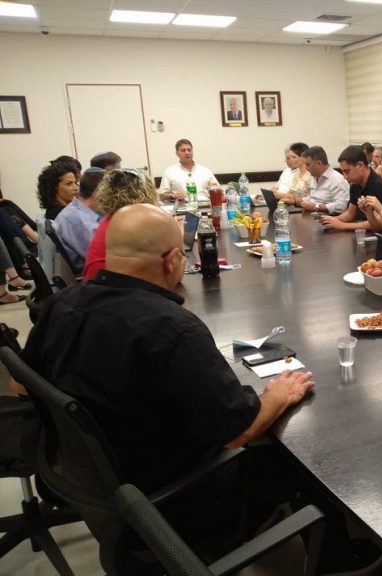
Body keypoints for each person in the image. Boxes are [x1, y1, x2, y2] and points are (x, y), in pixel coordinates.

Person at [13, 202, 316, 557]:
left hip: (102, 489)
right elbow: (238, 433)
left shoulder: (62, 303)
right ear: (173, 261)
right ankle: (337, 556)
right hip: (172, 502)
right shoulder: (171, 328)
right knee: (300, 458)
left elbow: (20, 384)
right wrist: (279, 394)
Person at [82, 168, 158, 280]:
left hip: (99, 285)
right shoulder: (132, 225)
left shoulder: (111, 219)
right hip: (113, 287)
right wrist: (176, 235)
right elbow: (167, 269)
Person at [319, 145, 382, 232]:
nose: (345, 177)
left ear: (360, 165)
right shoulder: (355, 184)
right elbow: (350, 214)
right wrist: (330, 220)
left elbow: (378, 224)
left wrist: (343, 225)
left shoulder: (380, 185)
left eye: (347, 171)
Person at [52, 167, 104, 274]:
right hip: (93, 276)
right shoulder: (75, 219)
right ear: (98, 193)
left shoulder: (79, 210)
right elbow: (102, 257)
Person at [158, 139, 219, 203]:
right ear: (177, 153)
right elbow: (162, 196)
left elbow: (218, 190)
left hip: (205, 206)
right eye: (183, 150)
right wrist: (172, 196)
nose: (187, 153)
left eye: (189, 150)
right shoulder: (169, 172)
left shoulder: (205, 171)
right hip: (182, 206)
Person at [298, 146, 349, 215]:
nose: (306, 168)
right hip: (312, 214)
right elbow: (313, 198)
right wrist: (297, 201)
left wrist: (316, 207)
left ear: (319, 164)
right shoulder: (314, 176)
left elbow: (341, 206)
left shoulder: (337, 179)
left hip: (330, 217)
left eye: (308, 165)